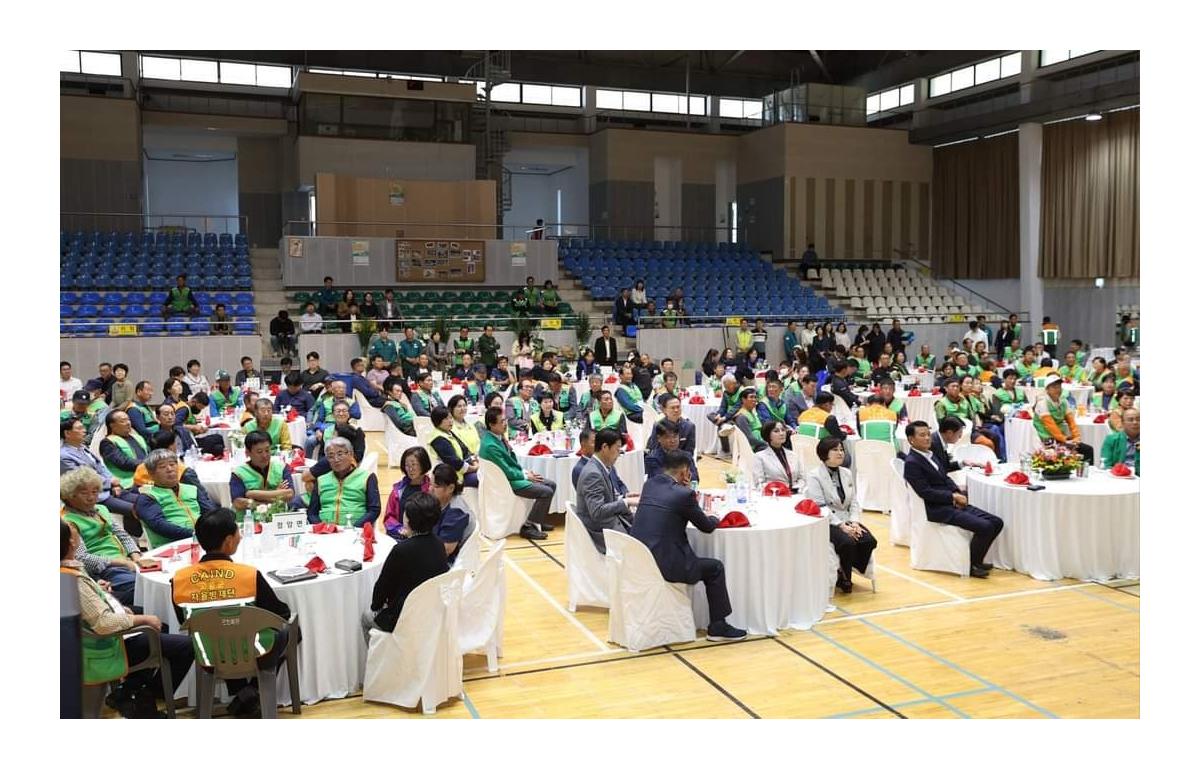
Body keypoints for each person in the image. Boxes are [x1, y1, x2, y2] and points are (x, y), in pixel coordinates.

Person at [61, 520, 193, 719]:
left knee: (161, 624)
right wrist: (142, 619)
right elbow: (104, 624)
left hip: (89, 637)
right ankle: (146, 695)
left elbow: (89, 604)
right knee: (187, 646)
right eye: (75, 532)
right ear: (71, 542)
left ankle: (130, 690)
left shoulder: (68, 570)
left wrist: (102, 593)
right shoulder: (72, 580)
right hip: (108, 644)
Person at [170, 507, 295, 718]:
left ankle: (241, 693)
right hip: (254, 651)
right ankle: (251, 691)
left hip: (207, 651)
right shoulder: (248, 575)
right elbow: (281, 613)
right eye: (238, 531)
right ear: (228, 541)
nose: (240, 535)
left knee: (219, 632)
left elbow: (185, 621)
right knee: (290, 630)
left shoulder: (179, 579)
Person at [630, 450, 747, 641]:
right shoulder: (684, 494)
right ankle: (718, 625)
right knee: (715, 568)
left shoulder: (650, 484)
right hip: (666, 565)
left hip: (640, 559)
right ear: (685, 472)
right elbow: (707, 527)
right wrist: (715, 516)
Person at [903, 422, 1003, 578]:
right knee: (985, 527)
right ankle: (970, 565)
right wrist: (952, 496)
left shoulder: (931, 455)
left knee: (997, 522)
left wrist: (956, 491)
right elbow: (925, 492)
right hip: (937, 509)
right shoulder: (912, 463)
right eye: (922, 435)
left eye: (928, 434)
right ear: (911, 440)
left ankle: (976, 560)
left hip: (951, 502)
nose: (928, 438)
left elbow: (944, 478)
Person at [365, 492, 450, 636]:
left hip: (404, 617)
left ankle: (383, 656)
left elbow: (382, 587)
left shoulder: (401, 550)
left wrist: (376, 606)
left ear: (408, 520)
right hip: (432, 612)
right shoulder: (439, 544)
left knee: (366, 618)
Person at [60, 467, 145, 606]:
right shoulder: (67, 521)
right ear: (69, 495)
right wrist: (121, 562)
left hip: (126, 560)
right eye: (84, 493)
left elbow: (122, 535)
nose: (91, 497)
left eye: (94, 492)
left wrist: (135, 555)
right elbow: (82, 558)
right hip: (104, 570)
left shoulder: (101, 509)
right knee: (141, 586)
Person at [806, 437, 877, 592]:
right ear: (824, 453)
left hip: (848, 519)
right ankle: (844, 577)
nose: (840, 453)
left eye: (841, 449)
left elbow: (853, 501)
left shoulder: (846, 473)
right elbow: (820, 506)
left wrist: (854, 522)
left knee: (869, 541)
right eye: (835, 450)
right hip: (828, 520)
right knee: (847, 543)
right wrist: (841, 525)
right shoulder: (814, 476)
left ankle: (850, 566)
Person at [478, 406, 556, 541]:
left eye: (505, 420)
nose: (505, 424)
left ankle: (538, 520)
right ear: (491, 425)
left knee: (551, 484)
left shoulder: (498, 438)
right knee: (546, 492)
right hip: (507, 482)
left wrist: (525, 472)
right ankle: (528, 526)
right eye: (501, 422)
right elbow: (506, 471)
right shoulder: (491, 445)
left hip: (513, 476)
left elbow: (510, 463)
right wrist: (526, 476)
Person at [135, 449, 218, 547]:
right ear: (151, 474)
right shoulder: (147, 496)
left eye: (172, 464)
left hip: (202, 540)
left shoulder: (191, 489)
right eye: (162, 467)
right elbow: (159, 525)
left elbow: (210, 512)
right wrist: (195, 534)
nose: (170, 469)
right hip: (172, 546)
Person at [575, 429, 637, 553]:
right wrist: (626, 502)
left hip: (610, 523)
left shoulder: (601, 467)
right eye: (617, 448)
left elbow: (607, 499)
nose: (619, 453)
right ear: (604, 447)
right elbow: (597, 511)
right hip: (600, 532)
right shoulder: (593, 473)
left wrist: (624, 497)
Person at [307, 437, 380, 527]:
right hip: (326, 532)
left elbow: (374, 510)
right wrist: (321, 527)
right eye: (331, 456)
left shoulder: (367, 477)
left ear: (351, 454)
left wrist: (355, 527)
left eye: (340, 454)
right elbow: (312, 513)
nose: (336, 459)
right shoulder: (321, 480)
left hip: (355, 530)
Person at [1033, 376, 1095, 464]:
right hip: (1045, 438)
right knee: (1061, 455)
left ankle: (1086, 472)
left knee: (1087, 449)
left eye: (1059, 387)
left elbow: (1071, 421)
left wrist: (1076, 437)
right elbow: (1050, 426)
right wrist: (1065, 440)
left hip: (1060, 437)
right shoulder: (1042, 403)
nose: (1058, 389)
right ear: (1047, 389)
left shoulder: (1063, 402)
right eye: (1054, 387)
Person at [382, 446, 433, 539]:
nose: (410, 469)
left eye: (414, 464)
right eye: (407, 465)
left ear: (423, 464)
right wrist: (400, 530)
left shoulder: (431, 489)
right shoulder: (398, 490)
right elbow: (389, 517)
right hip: (401, 537)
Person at [427, 405, 480, 488]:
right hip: (455, 478)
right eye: (446, 419)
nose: (450, 421)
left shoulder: (449, 432)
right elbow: (455, 463)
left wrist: (474, 462)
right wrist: (474, 468)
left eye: (451, 418)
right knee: (484, 479)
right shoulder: (438, 439)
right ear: (438, 421)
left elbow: (465, 450)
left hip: (466, 470)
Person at [753, 420, 802, 493]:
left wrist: (799, 488)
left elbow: (802, 478)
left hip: (796, 494)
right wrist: (781, 491)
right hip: (774, 497)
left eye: (783, 430)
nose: (782, 433)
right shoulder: (760, 457)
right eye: (776, 431)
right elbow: (759, 484)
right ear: (768, 435)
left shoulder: (793, 454)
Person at [1100, 408, 1139, 474]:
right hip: (1120, 476)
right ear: (1123, 423)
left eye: (1138, 419)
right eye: (1130, 420)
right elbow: (1106, 464)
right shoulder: (1111, 439)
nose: (1135, 422)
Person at [731, 387, 766, 451]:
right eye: (751, 397)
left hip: (760, 442)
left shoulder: (753, 413)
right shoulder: (741, 416)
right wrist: (766, 444)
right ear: (743, 400)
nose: (754, 399)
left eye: (755, 397)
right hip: (753, 447)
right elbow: (749, 439)